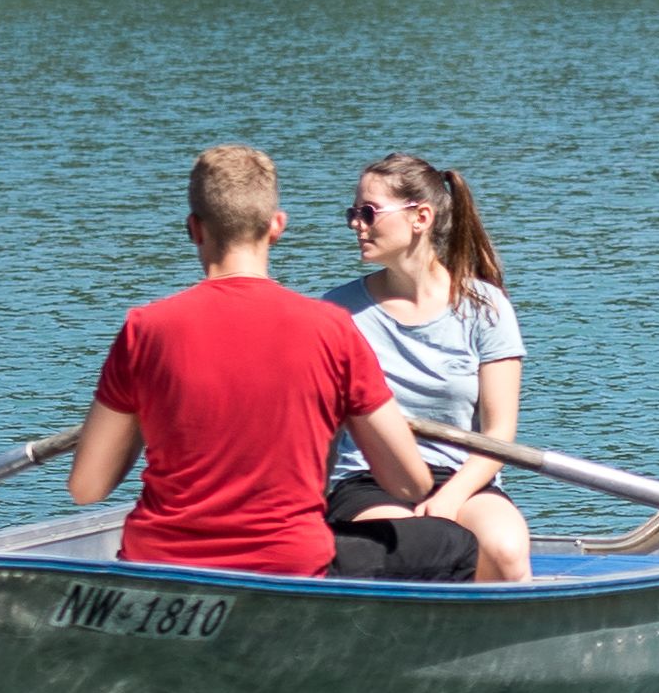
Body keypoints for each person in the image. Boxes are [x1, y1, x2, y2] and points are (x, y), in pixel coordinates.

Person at [68, 147, 463, 578]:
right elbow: (411, 483)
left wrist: (146, 416)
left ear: (194, 229)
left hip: (160, 563)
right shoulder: (332, 328)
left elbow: (87, 487)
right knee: (455, 542)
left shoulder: (144, 328)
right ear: (277, 227)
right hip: (290, 565)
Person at [325, 154, 533, 583]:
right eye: (353, 213)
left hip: (464, 477)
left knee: (507, 551)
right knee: (406, 552)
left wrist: (451, 497)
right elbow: (320, 431)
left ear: (421, 217)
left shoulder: (486, 306)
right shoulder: (337, 312)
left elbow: (499, 433)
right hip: (368, 479)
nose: (355, 225)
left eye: (368, 213)